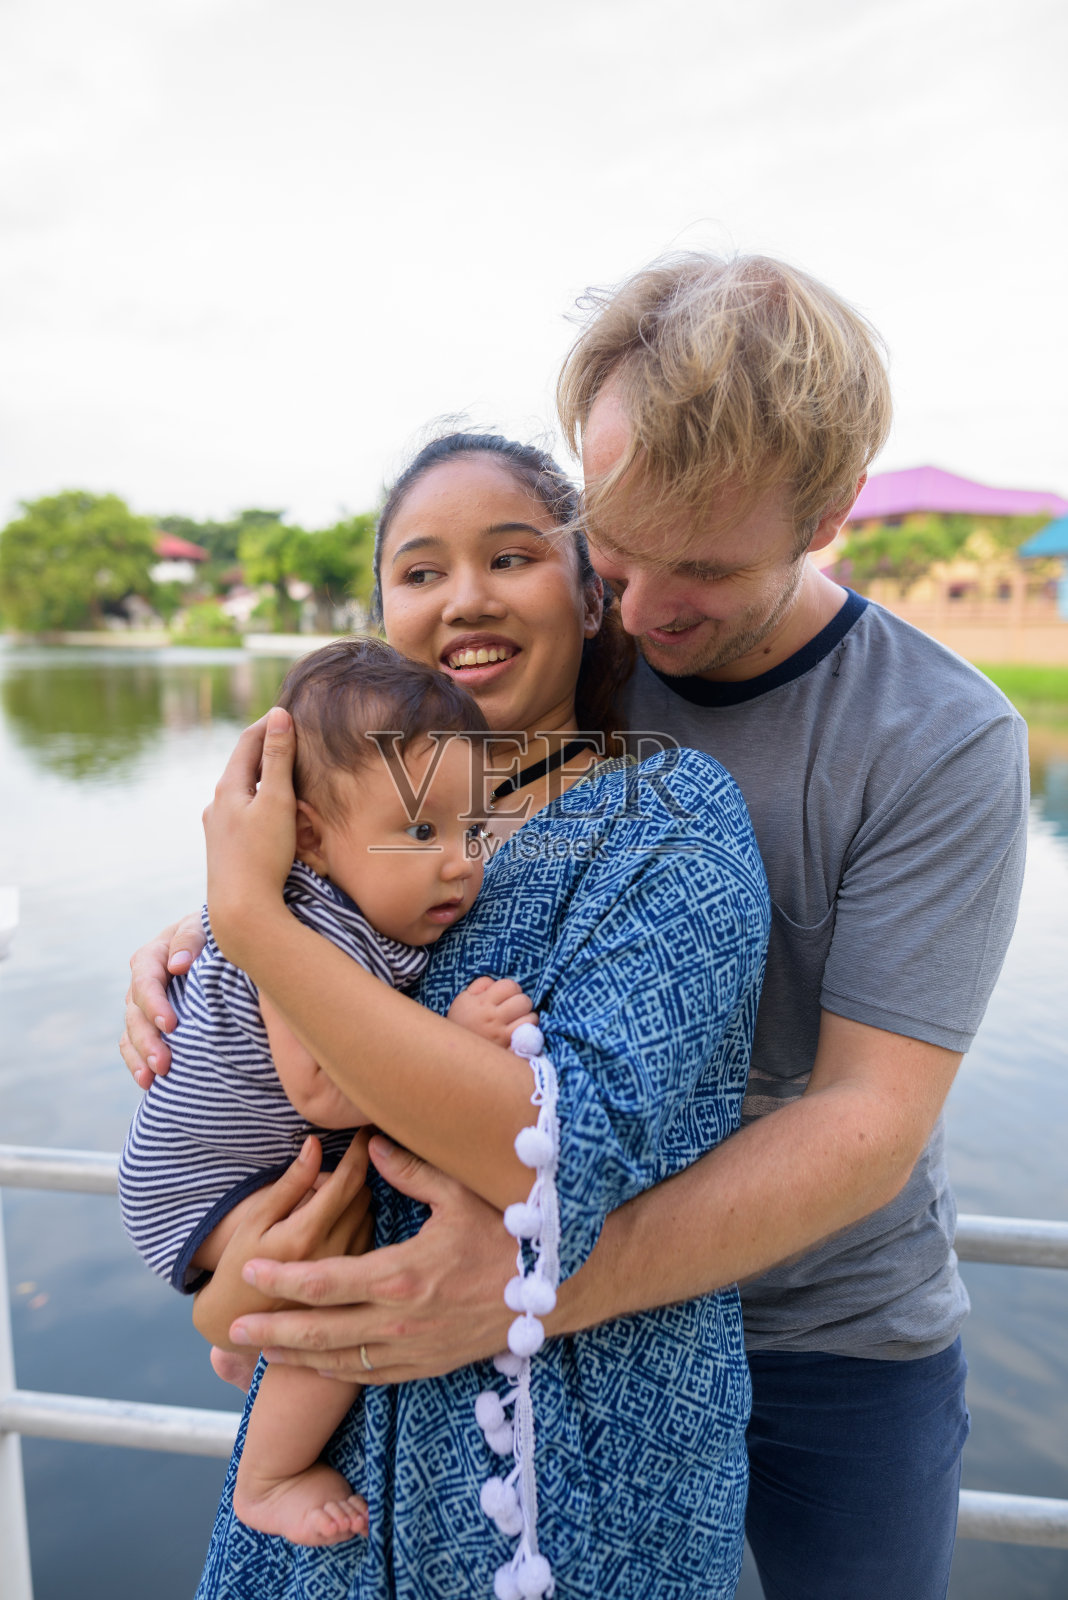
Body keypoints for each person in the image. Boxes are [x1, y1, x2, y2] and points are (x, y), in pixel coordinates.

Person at [124, 258, 1029, 1600]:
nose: (647, 608)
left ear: (831, 514)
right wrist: (236, 931)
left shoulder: (933, 735)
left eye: (704, 568)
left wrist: (522, 1291)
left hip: (827, 1317)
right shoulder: (559, 679)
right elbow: (397, 832)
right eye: (616, 547)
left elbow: (865, 1124)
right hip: (512, 1292)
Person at [133, 433, 772, 1599]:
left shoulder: (666, 816)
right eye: (421, 571)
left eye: (512, 556)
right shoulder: (336, 863)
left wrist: (249, 918)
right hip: (324, 1507)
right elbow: (248, 1164)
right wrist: (233, 1291)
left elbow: (559, 1151)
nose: (465, 596)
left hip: (575, 1480)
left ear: (593, 592)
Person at [119, 637, 536, 1546]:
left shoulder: (344, 903)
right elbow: (320, 1092)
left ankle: (247, 1339)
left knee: (332, 1238)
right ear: (308, 836)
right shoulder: (306, 920)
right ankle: (267, 1477)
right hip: (202, 1180)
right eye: (423, 833)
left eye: (472, 832)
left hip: (235, 1166)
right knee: (338, 1276)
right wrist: (450, 1044)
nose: (461, 863)